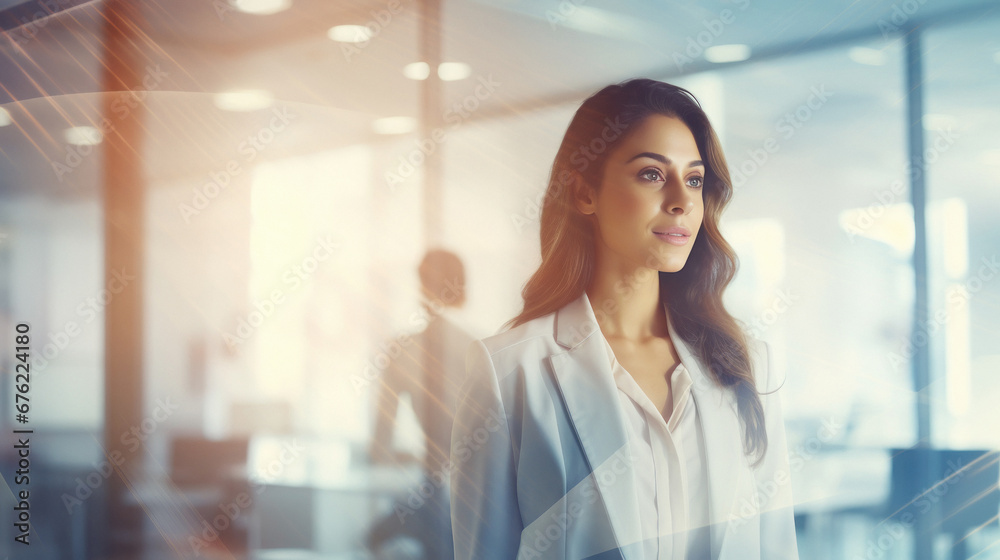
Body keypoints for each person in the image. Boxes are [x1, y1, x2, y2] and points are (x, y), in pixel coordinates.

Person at [449, 79, 799, 560]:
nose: (681, 201)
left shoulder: (745, 365)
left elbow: (776, 546)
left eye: (694, 180)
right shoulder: (509, 371)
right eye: (652, 174)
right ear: (584, 193)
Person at [366, 249, 475, 560]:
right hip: (454, 487)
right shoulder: (477, 347)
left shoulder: (404, 349)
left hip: (445, 487)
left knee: (378, 538)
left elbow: (380, 442)